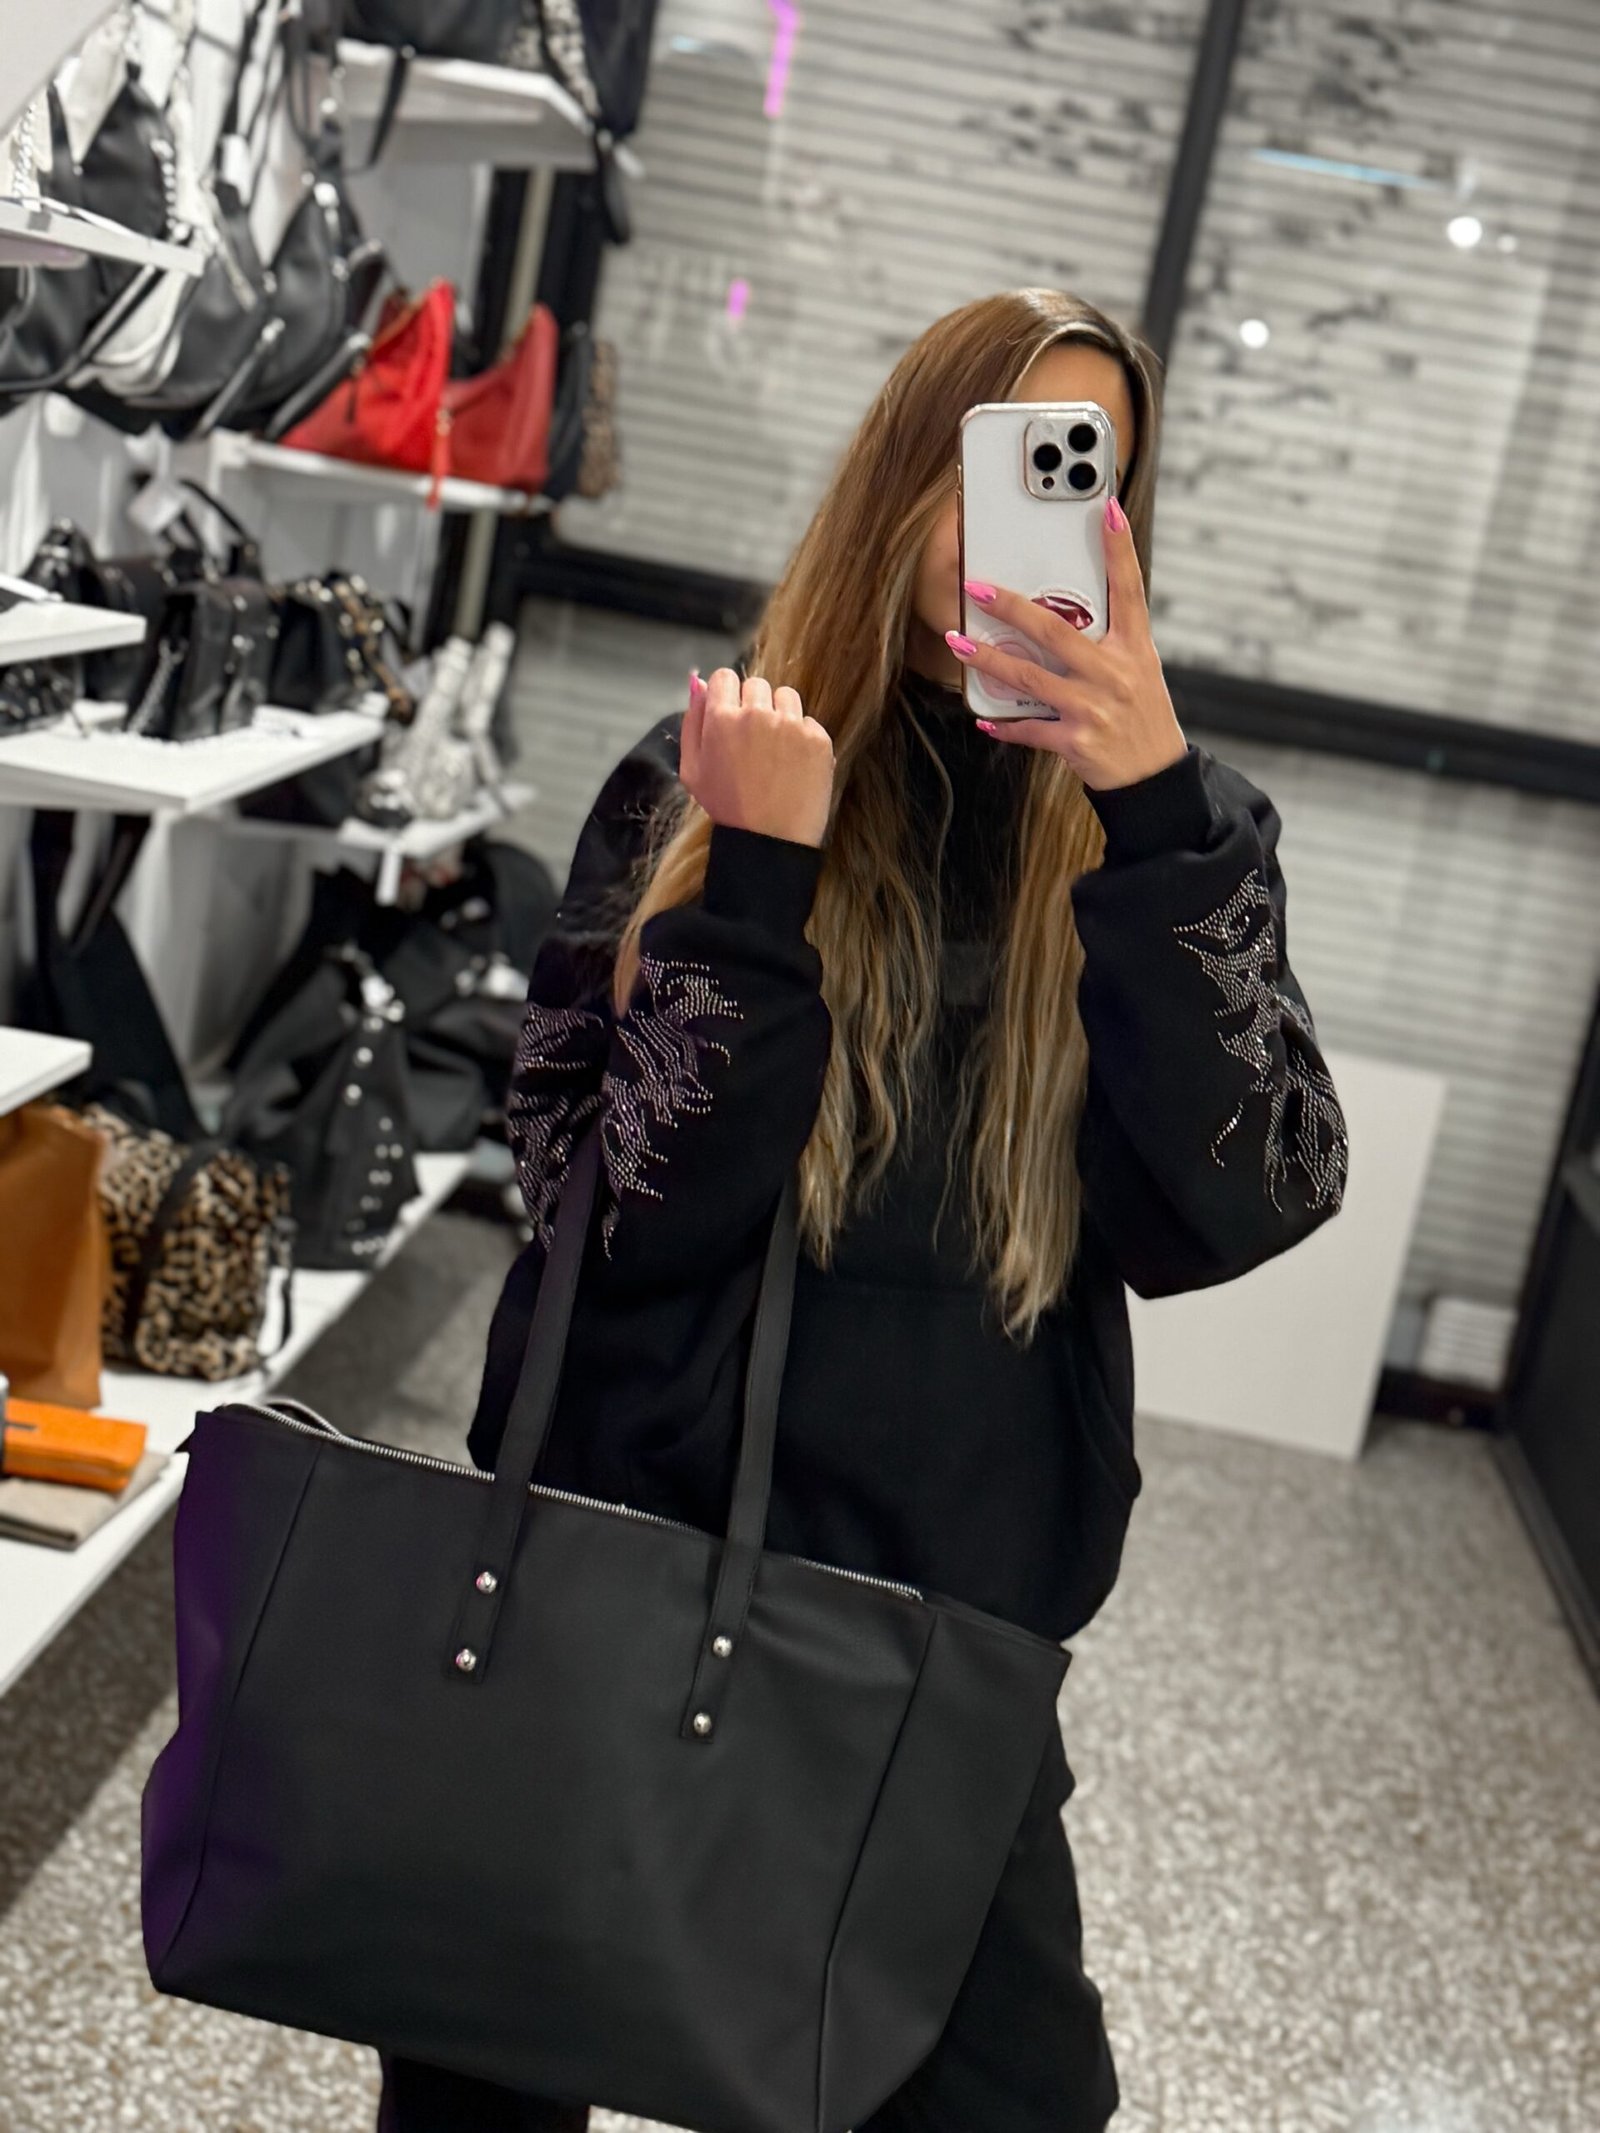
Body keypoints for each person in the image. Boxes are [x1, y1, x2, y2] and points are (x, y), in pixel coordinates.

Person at [377, 288, 1349, 2133]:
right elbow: (598, 1204)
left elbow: (1257, 1194)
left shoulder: (1168, 832)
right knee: (493, 2063)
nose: (1028, 526)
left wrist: (1154, 814)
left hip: (942, 1628)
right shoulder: (702, 778)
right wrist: (755, 874)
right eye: (997, 465)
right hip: (618, 1564)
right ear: (904, 474)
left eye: (1080, 480)